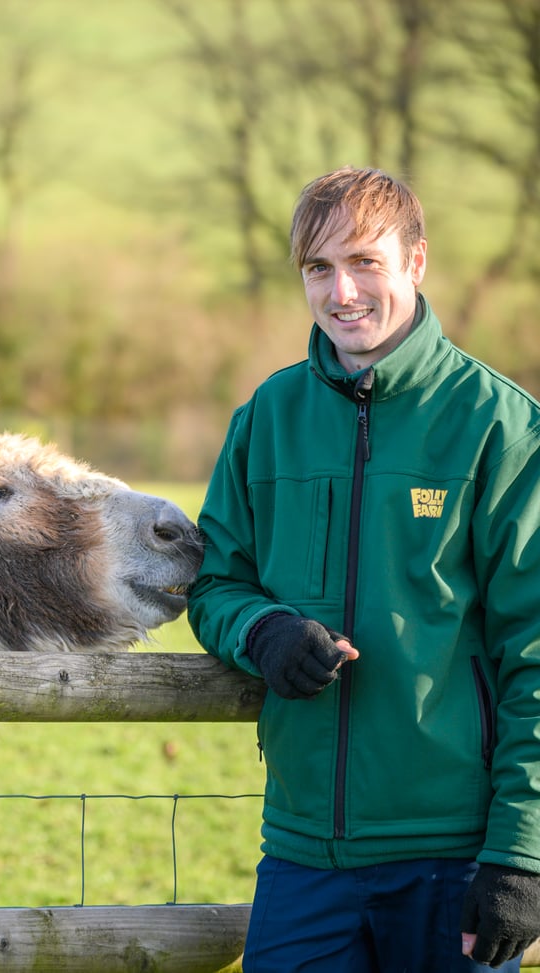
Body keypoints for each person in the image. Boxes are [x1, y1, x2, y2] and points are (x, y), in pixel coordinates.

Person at [187, 166, 540, 972]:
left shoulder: (500, 426)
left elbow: (537, 649)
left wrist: (521, 851)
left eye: (364, 262)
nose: (341, 291)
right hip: (303, 851)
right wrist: (264, 630)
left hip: (457, 857)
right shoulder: (268, 417)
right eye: (319, 267)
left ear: (416, 261)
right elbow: (214, 582)